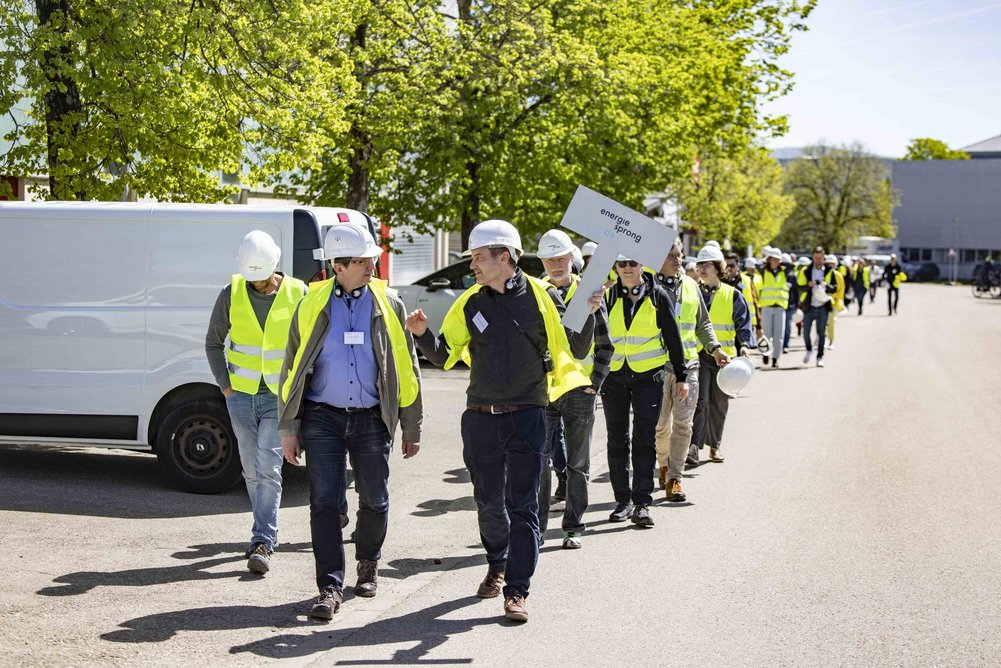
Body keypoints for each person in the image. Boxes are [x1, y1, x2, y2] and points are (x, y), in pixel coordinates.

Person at [406, 219, 601, 623]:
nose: (473, 265)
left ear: (505, 257)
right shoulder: (470, 303)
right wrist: (422, 334)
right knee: (489, 502)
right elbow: (443, 355)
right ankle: (496, 562)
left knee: (525, 505)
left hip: (529, 414)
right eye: (473, 259)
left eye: (479, 257)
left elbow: (577, 345)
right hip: (480, 418)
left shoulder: (543, 297)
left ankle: (516, 589)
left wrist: (590, 312)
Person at [279, 223, 423, 620]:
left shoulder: (387, 303)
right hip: (321, 417)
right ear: (338, 266)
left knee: (374, 499)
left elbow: (407, 367)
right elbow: (291, 368)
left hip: (372, 419)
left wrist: (411, 425)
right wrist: (289, 427)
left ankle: (368, 563)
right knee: (324, 502)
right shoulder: (311, 303)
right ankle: (328, 587)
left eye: (369, 259)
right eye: (362, 261)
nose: (370, 265)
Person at [205, 231, 307, 575]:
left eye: (262, 278)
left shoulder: (298, 293)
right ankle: (262, 531)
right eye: (252, 278)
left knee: (269, 466)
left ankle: (263, 539)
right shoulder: (231, 292)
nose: (257, 284)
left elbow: (310, 346)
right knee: (250, 469)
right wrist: (226, 387)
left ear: (275, 266)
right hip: (240, 398)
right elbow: (212, 343)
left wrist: (301, 394)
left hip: (278, 398)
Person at [535, 229, 614, 549]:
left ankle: (573, 527)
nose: (556, 264)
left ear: (572, 258)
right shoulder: (535, 292)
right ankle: (536, 529)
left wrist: (595, 383)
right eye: (550, 259)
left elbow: (605, 344)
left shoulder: (590, 292)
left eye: (561, 258)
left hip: (580, 391)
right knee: (539, 462)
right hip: (544, 391)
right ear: (542, 260)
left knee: (578, 464)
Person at [604, 252, 688, 525]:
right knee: (617, 439)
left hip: (647, 377)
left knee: (643, 439)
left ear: (642, 264)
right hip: (614, 377)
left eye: (633, 263)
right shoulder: (606, 296)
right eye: (621, 264)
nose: (627, 268)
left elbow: (673, 337)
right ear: (615, 267)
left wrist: (682, 375)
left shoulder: (658, 295)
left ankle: (642, 503)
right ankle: (622, 501)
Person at [653, 238, 727, 500]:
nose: (678, 260)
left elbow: (703, 324)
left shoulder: (691, 286)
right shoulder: (648, 287)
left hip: (689, 365)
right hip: (658, 367)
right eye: (671, 256)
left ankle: (675, 477)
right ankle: (663, 464)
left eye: (680, 255)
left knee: (683, 425)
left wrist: (715, 349)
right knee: (661, 426)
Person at [690, 243, 754, 464]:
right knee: (700, 402)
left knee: (719, 403)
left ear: (718, 267)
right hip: (698, 355)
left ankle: (715, 446)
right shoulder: (692, 292)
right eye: (699, 265)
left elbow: (743, 324)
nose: (702, 268)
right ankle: (694, 447)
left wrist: (744, 345)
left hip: (723, 359)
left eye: (707, 264)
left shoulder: (733, 295)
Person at [796, 247, 838, 367]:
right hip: (809, 306)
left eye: (820, 258)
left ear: (823, 258)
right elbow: (799, 286)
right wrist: (808, 285)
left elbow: (835, 287)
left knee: (821, 333)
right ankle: (809, 348)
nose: (818, 260)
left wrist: (826, 286)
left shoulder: (829, 271)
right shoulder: (806, 270)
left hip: (823, 306)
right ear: (812, 257)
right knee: (806, 332)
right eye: (815, 258)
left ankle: (820, 357)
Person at [758, 247, 789, 368]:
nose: (775, 262)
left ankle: (775, 358)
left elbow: (791, 264)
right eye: (773, 259)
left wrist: (781, 260)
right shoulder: (763, 271)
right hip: (766, 307)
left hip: (780, 307)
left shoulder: (784, 271)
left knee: (778, 335)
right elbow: (756, 263)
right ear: (769, 260)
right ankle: (766, 353)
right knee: (767, 334)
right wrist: (765, 259)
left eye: (777, 260)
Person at [824, 254, 846, 349]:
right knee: (823, 322)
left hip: (834, 302)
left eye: (832, 264)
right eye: (828, 264)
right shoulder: (823, 273)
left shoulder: (838, 275)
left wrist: (838, 301)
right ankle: (823, 339)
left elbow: (841, 289)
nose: (830, 265)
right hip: (824, 301)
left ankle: (831, 341)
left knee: (831, 322)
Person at [781, 253, 799, 354]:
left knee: (787, 327)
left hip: (790, 306)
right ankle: (777, 345)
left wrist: (797, 304)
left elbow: (796, 292)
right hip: (779, 305)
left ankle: (785, 345)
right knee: (779, 328)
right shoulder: (778, 276)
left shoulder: (793, 277)